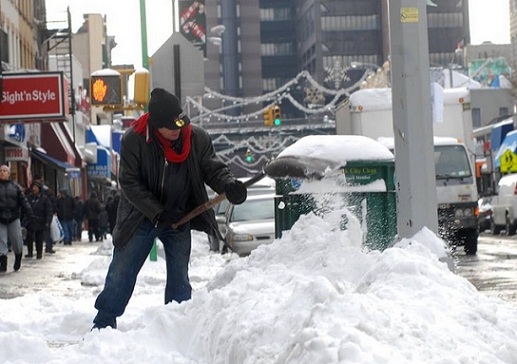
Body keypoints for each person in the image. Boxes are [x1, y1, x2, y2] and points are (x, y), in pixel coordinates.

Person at [92, 88, 247, 329]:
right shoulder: (134, 140)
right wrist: (158, 211)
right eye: (169, 126)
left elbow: (212, 169)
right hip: (140, 217)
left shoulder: (197, 138)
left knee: (180, 276)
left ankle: (177, 324)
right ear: (155, 125)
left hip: (180, 215)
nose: (176, 130)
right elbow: (130, 184)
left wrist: (228, 185)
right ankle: (103, 322)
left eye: (179, 123)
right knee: (122, 271)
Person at [0, 165, 32, 272]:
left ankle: (18, 257)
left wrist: (29, 211)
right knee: (1, 241)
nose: (2, 172)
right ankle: (3, 263)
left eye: (4, 171)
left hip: (14, 218)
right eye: (0, 171)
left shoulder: (15, 187)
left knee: (17, 240)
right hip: (1, 219)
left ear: (9, 173)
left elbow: (23, 200)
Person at [25, 181, 54, 258]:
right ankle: (30, 252)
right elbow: (24, 208)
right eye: (33, 187)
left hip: (40, 220)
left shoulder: (44, 199)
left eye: (36, 187)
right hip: (30, 220)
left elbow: (49, 210)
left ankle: (39, 252)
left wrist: (48, 221)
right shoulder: (28, 198)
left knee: (39, 238)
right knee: (29, 237)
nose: (34, 189)